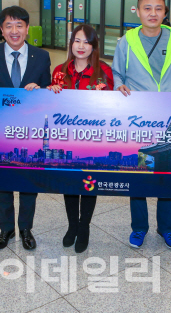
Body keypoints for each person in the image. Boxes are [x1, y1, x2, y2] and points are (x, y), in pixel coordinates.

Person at [111, 0, 171, 250]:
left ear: (165, 12)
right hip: (138, 116)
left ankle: (167, 228)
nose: (153, 13)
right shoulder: (127, 40)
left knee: (168, 171)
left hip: (170, 113)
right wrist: (118, 87)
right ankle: (139, 228)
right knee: (139, 172)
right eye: (147, 8)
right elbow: (117, 74)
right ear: (137, 11)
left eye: (158, 8)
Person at [0, 5, 51, 250]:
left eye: (19, 25)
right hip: (1, 132)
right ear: (1, 29)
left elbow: (48, 92)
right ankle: (6, 228)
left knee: (29, 183)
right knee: (4, 182)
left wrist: (39, 91)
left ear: (27, 29)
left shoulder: (41, 56)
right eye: (8, 25)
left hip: (31, 133)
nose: (14, 30)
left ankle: (26, 228)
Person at [47, 24, 114, 253]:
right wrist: (49, 90)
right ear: (71, 43)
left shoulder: (104, 71)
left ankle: (84, 227)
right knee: (69, 184)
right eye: (77, 40)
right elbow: (51, 106)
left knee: (88, 184)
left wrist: (102, 98)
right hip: (66, 141)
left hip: (92, 143)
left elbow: (112, 109)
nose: (81, 46)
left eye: (87, 42)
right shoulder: (59, 70)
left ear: (94, 45)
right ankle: (72, 226)